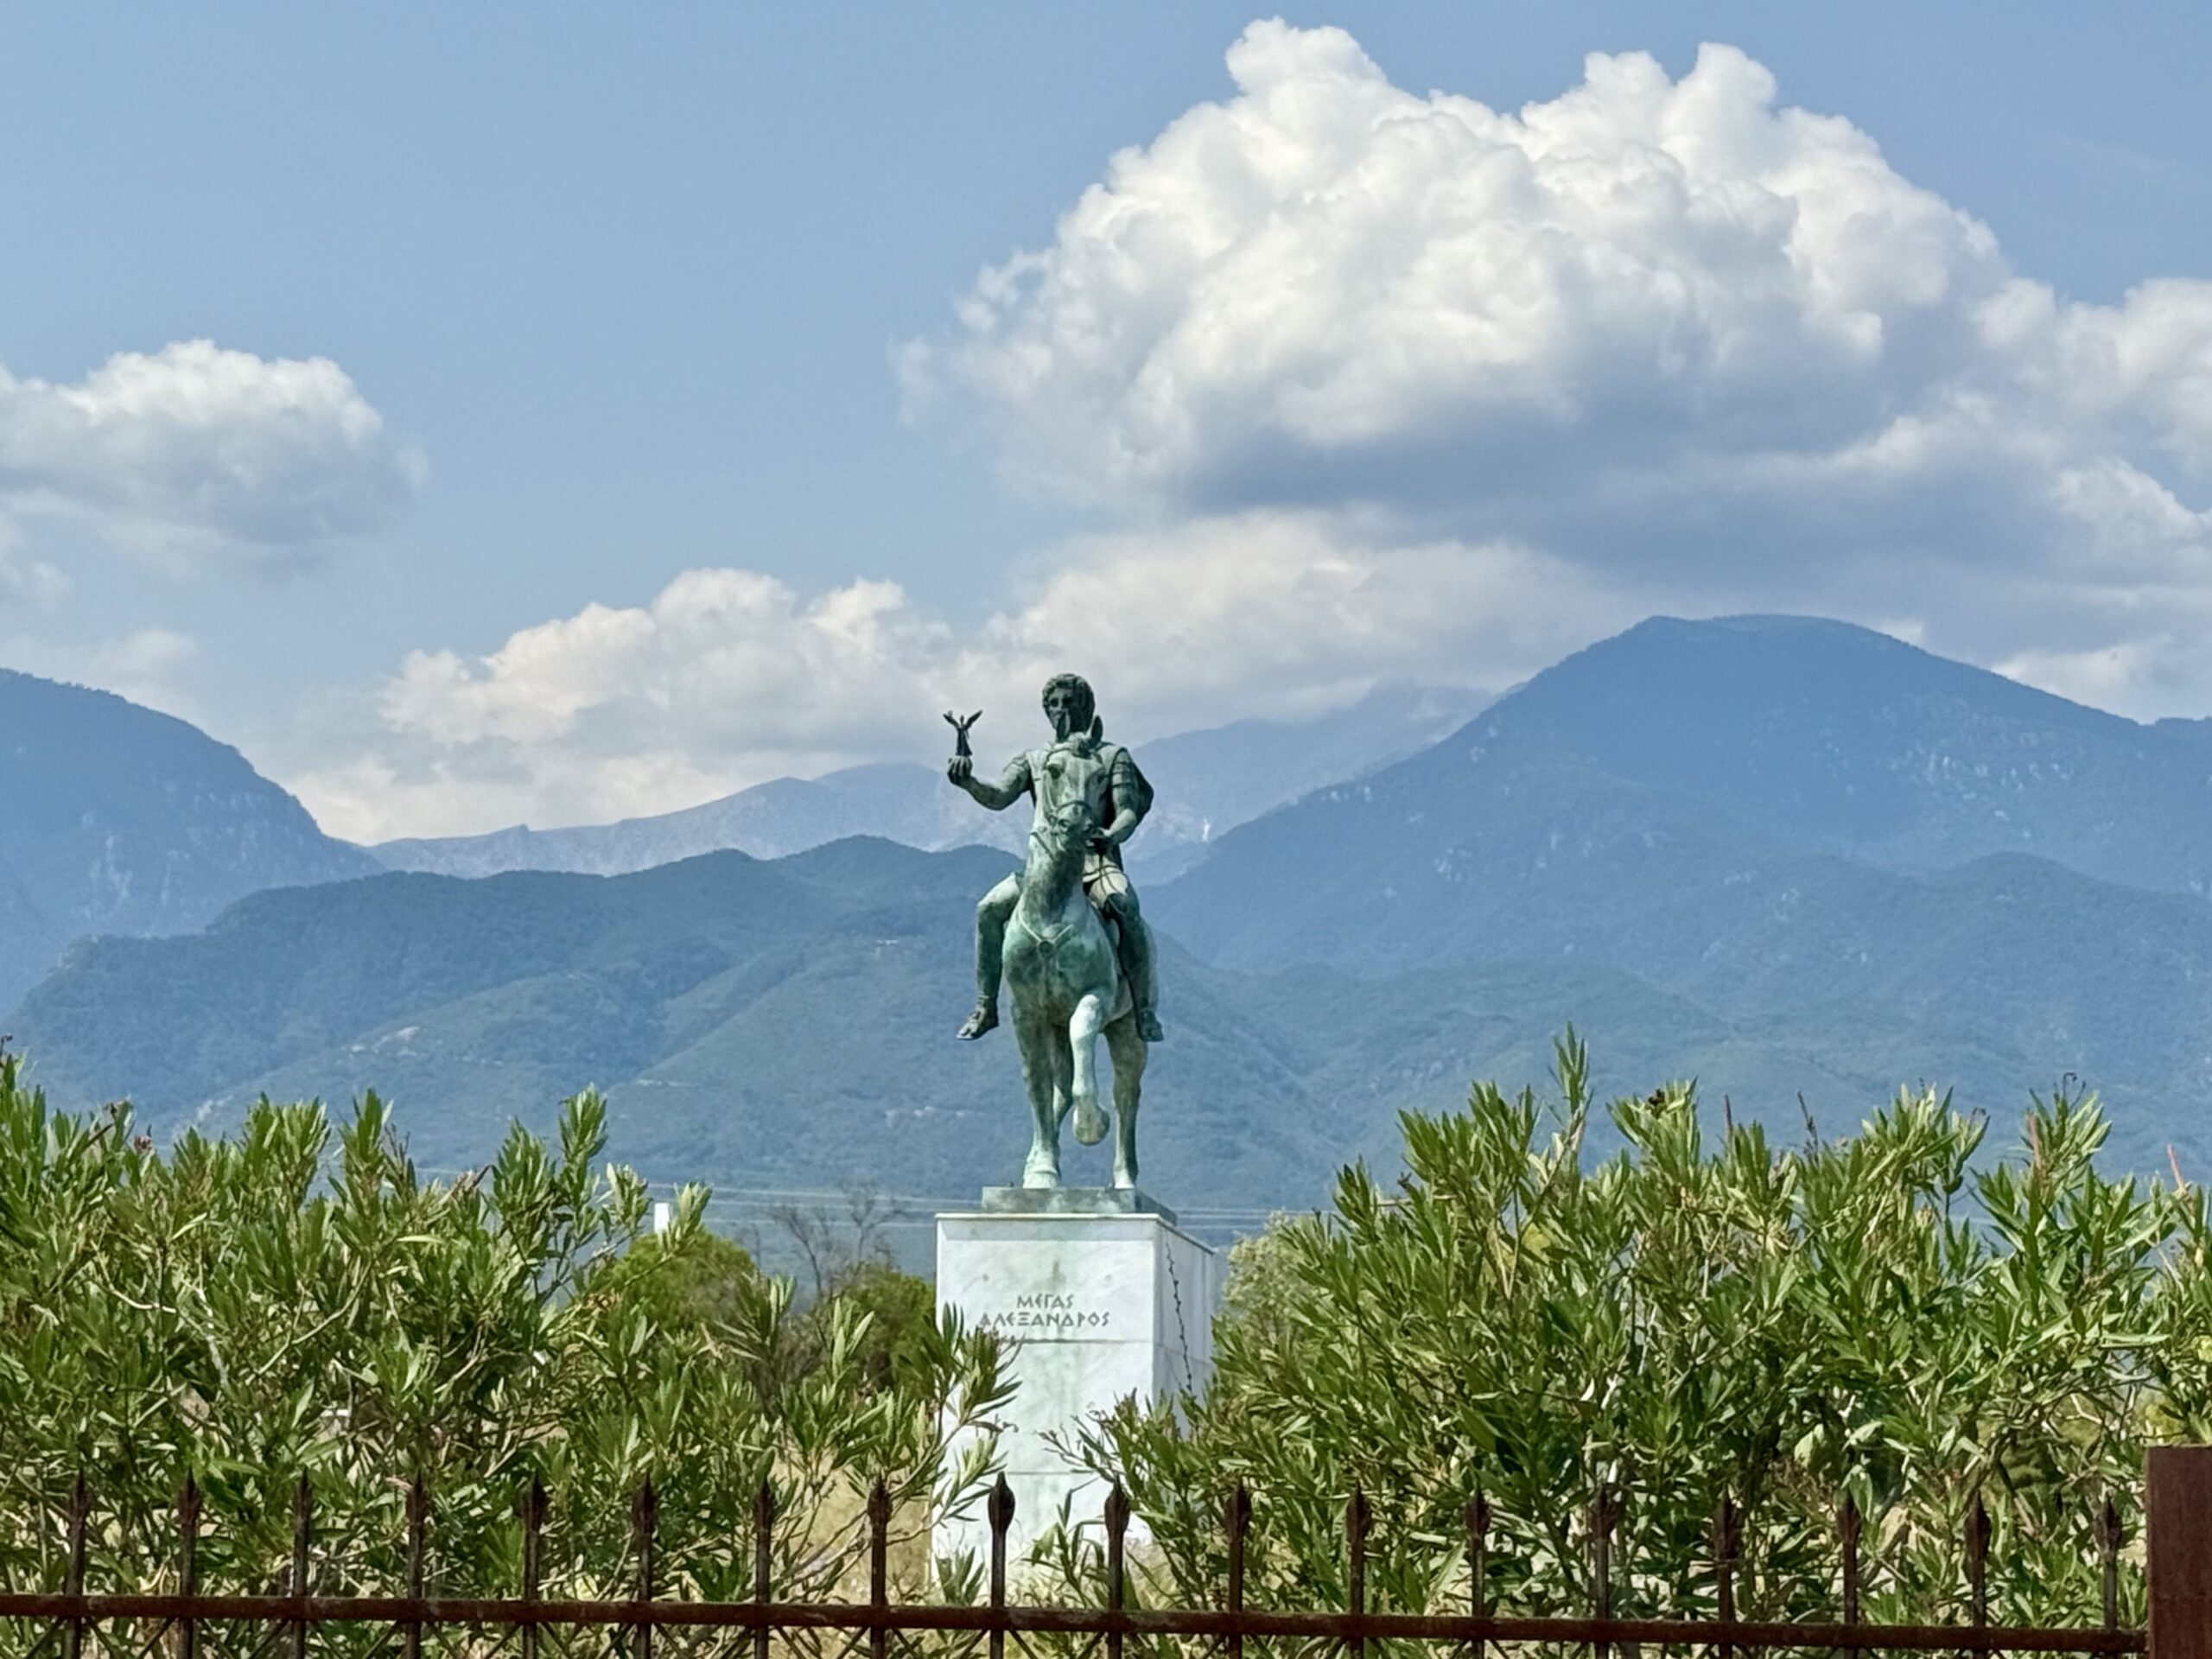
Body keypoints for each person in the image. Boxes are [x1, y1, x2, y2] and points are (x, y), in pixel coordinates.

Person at [945, 672, 1165, 1044]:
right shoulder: (1034, 759)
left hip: (1096, 862)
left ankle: (1143, 1008)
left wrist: (1110, 835)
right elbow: (998, 796)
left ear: (1086, 707)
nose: (1062, 710)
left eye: (1070, 702)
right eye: (1054, 703)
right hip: (1042, 871)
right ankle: (986, 1004)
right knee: (988, 909)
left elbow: (1128, 809)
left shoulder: (1112, 756)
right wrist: (969, 783)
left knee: (1126, 908)